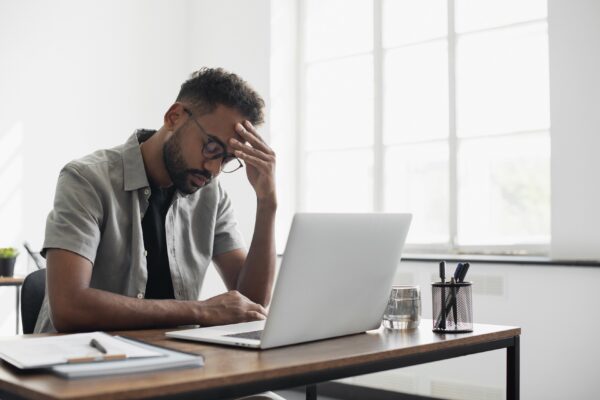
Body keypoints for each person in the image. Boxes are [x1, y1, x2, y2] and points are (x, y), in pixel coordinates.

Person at [35, 68, 277, 335]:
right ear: (174, 117)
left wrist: (267, 202)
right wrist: (201, 310)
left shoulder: (212, 195)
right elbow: (69, 307)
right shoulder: (86, 180)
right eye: (211, 147)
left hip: (172, 361)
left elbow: (252, 305)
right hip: (77, 362)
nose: (215, 169)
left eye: (228, 159)